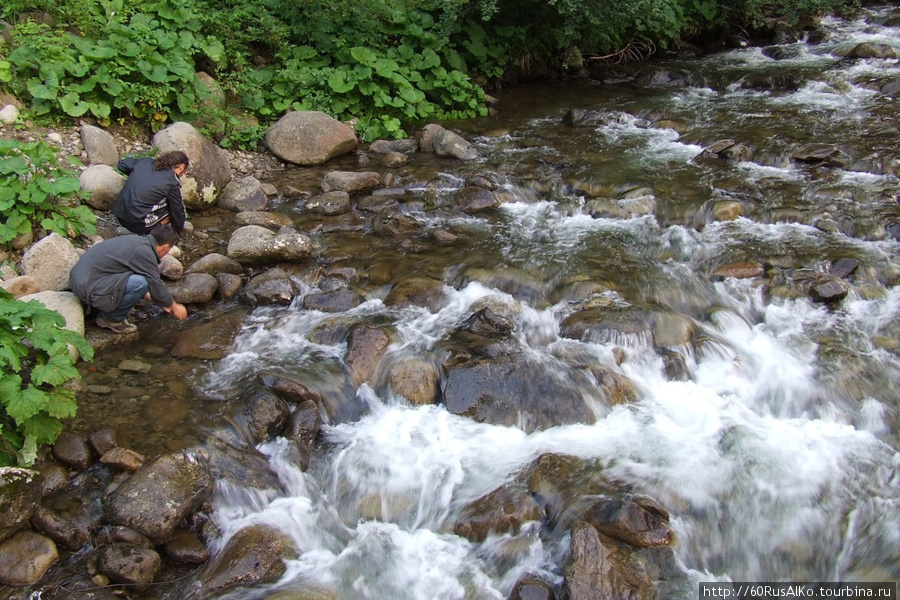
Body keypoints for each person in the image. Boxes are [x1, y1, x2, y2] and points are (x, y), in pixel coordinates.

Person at [69, 225, 188, 334]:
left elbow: (144, 279)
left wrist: (160, 301)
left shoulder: (137, 241)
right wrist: (174, 306)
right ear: (166, 247)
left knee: (139, 281)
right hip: (88, 286)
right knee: (140, 283)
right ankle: (111, 319)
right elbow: (154, 282)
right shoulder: (145, 253)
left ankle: (101, 306)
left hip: (80, 279)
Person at [113, 151, 189, 235]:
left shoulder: (146, 161)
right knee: (172, 209)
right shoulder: (173, 182)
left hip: (119, 215)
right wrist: (177, 232)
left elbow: (122, 165)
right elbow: (178, 212)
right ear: (180, 168)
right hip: (137, 224)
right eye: (183, 172)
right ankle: (151, 234)